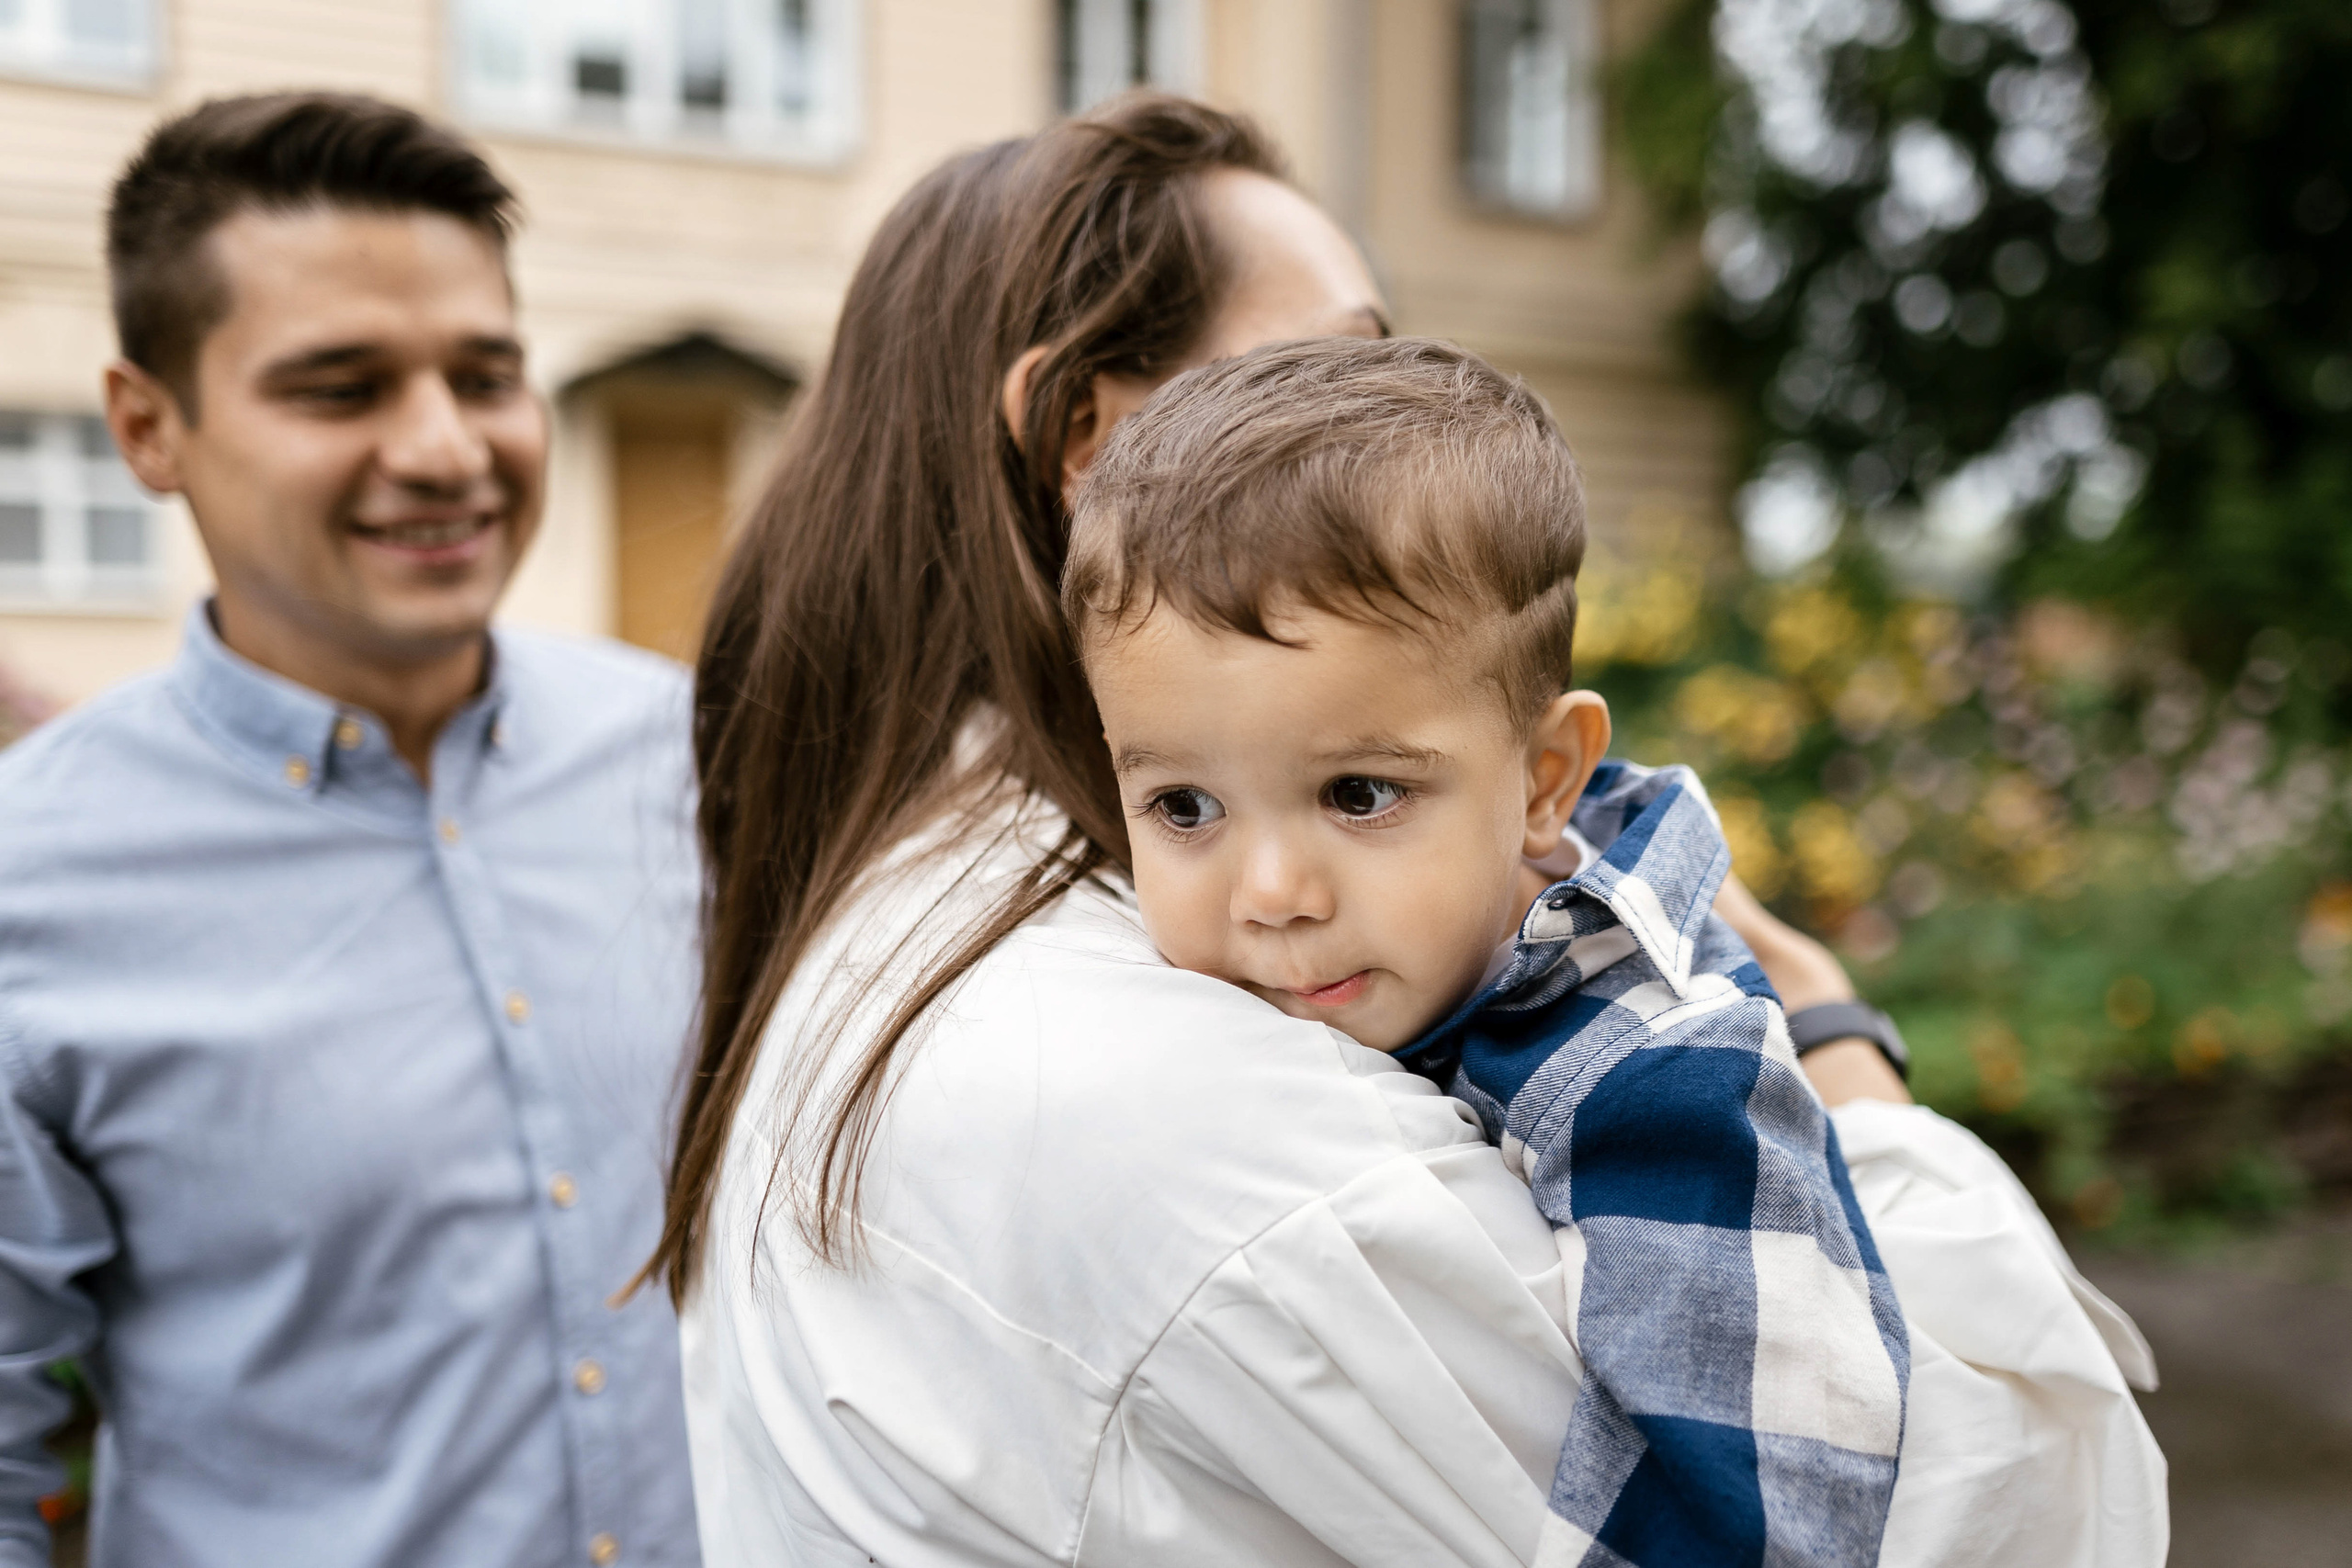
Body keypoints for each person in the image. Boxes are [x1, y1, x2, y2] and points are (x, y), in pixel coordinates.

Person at [662, 95, 2165, 1567]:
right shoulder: (1161, 1081)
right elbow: (1991, 1506)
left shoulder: (897, 914)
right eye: (1331, 377)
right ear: (1086, 437)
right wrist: (1839, 1044)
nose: (1390, 432)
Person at [1066, 334, 1908, 1565]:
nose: (1272, 894)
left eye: (1358, 794)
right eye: (1185, 807)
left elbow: (1773, 1527)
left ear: (1542, 783)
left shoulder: (1658, 1085)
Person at [0, 94, 699, 1566]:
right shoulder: (31, 886)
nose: (446, 449)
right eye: (342, 387)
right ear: (147, 428)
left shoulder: (701, 758)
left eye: (486, 374)